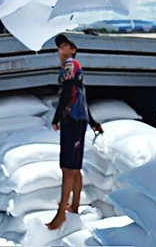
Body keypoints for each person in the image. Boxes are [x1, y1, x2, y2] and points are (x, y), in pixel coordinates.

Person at [46, 34, 103, 230]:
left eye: (65, 46)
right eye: (59, 47)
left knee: (67, 167)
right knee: (75, 167)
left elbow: (69, 90)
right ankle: (74, 206)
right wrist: (93, 121)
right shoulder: (75, 67)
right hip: (80, 119)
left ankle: (61, 214)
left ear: (73, 50)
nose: (61, 50)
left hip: (71, 121)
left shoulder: (70, 65)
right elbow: (82, 97)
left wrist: (56, 117)